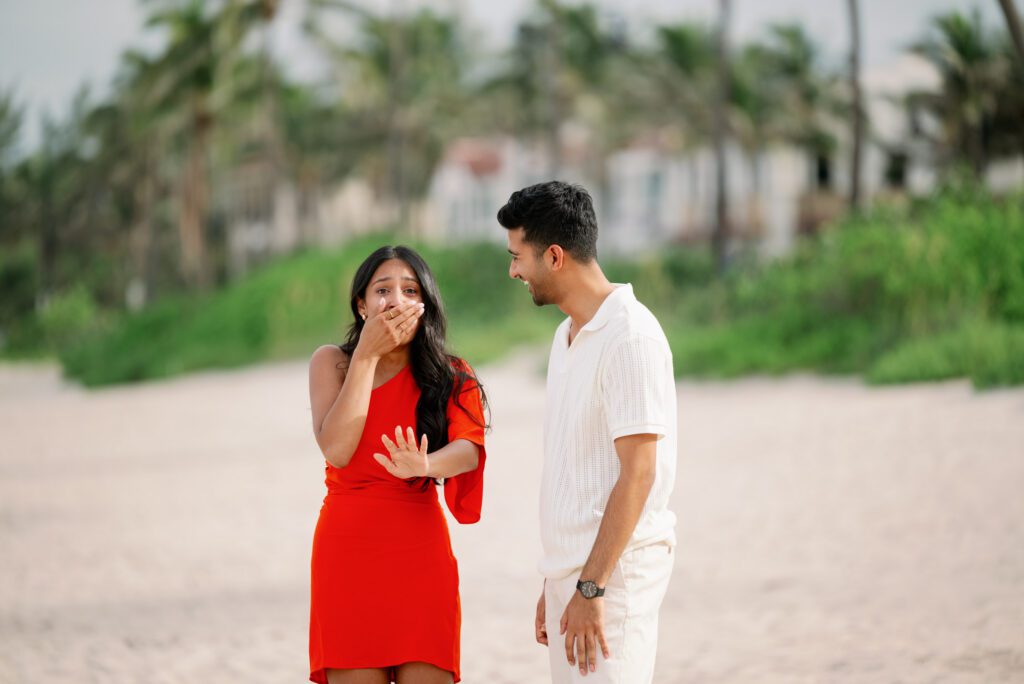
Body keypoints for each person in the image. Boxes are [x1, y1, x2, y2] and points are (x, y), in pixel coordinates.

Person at [498, 181, 677, 683]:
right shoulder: (566, 335)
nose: (513, 270)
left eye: (517, 256)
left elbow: (638, 474)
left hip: (612, 584)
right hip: (574, 580)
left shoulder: (631, 337)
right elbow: (575, 470)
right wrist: (557, 580)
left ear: (553, 256)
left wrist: (591, 588)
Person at [307, 245, 488, 684]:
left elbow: (469, 449)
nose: (396, 300)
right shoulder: (332, 362)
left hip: (420, 556)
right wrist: (367, 356)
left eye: (410, 290)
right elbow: (337, 449)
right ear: (361, 304)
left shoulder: (451, 374)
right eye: (382, 290)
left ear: (424, 305)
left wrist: (425, 464)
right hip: (347, 556)